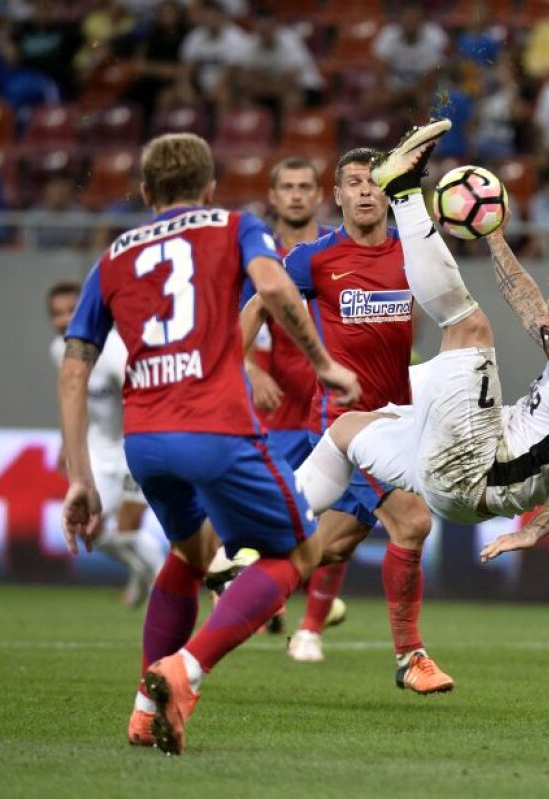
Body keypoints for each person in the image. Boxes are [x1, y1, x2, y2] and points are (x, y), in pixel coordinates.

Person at [59, 132, 360, 756]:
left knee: (192, 554)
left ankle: (144, 712)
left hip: (146, 439)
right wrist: (323, 362)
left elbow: (75, 366)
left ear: (146, 193)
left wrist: (79, 478)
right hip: (216, 428)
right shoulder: (234, 223)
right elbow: (275, 289)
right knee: (299, 554)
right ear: (208, 187)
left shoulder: (114, 253)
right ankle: (183, 672)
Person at [291, 120, 549, 569]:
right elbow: (525, 304)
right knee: (347, 429)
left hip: (480, 471)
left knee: (468, 328)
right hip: (449, 477)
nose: (543, 321)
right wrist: (494, 235)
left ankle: (405, 192)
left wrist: (532, 530)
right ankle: (267, 526)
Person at [237, 147, 452, 688]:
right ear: (337, 195)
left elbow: (446, 313)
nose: (363, 191)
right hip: (345, 422)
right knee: (413, 521)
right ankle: (411, 658)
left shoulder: (413, 254)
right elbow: (260, 302)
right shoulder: (314, 258)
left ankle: (238, 587)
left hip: (400, 419)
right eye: (352, 182)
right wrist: (236, 368)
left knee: (330, 544)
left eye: (373, 182)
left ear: (388, 192)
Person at [209, 156, 345, 644]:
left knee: (339, 516)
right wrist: (247, 368)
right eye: (285, 186)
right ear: (272, 195)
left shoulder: (335, 247)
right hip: (277, 412)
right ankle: (260, 591)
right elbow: (226, 326)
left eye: (304, 185)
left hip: (333, 403)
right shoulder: (255, 252)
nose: (295, 194)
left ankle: (309, 628)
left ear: (319, 194)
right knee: (266, 520)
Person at [47, 281, 162, 607]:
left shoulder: (114, 351)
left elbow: (144, 398)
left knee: (127, 528)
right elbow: (74, 398)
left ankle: (158, 579)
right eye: (57, 313)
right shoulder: (60, 350)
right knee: (89, 530)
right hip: (98, 449)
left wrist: (147, 450)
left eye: (72, 310)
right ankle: (145, 569)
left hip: (132, 447)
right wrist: (66, 443)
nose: (65, 319)